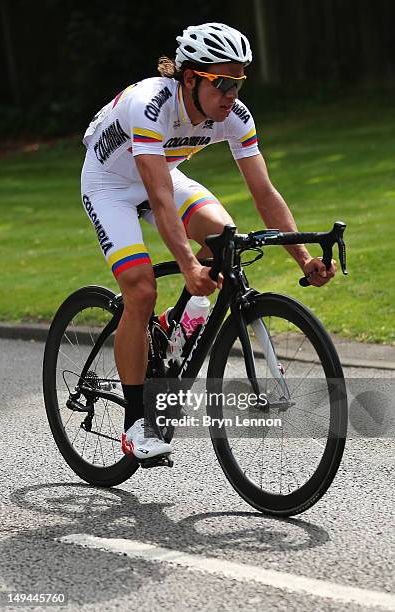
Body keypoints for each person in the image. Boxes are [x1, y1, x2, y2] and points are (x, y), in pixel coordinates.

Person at [81, 22, 336, 462]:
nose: (232, 95)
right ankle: (136, 422)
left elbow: (264, 193)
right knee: (140, 289)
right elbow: (160, 200)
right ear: (191, 78)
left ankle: (176, 324)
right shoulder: (150, 104)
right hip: (110, 185)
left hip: (163, 175)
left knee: (224, 238)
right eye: (222, 83)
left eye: (238, 83)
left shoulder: (234, 116)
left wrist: (303, 258)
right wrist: (187, 266)